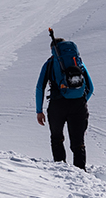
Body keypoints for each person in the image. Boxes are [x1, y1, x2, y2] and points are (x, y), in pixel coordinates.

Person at [34, 28, 93, 168]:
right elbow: (90, 87)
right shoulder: (78, 62)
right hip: (78, 105)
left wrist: (39, 111)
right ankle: (80, 172)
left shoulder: (50, 63)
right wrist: (81, 101)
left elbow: (40, 87)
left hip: (57, 104)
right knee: (78, 142)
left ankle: (61, 170)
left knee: (57, 138)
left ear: (53, 50)